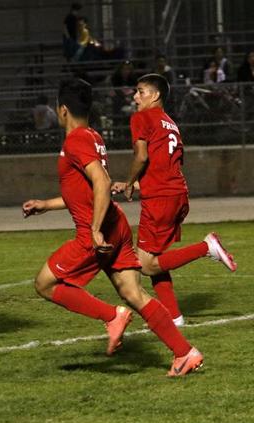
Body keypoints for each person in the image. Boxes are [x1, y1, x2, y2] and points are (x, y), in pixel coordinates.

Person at [22, 78, 203, 377]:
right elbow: (87, 191)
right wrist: (46, 204)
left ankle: (112, 316)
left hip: (98, 232)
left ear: (62, 110)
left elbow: (102, 184)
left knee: (45, 283)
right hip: (116, 225)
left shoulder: (76, 140)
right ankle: (185, 352)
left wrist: (94, 231)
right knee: (134, 292)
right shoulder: (92, 136)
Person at [110, 74, 237, 326]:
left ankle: (206, 247)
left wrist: (129, 181)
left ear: (155, 95)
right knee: (156, 258)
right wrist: (136, 183)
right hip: (177, 194)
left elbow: (142, 156)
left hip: (160, 198)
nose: (135, 97)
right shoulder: (170, 123)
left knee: (145, 265)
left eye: (140, 91)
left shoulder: (141, 117)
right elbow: (165, 162)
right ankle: (175, 316)